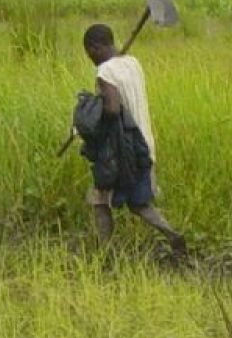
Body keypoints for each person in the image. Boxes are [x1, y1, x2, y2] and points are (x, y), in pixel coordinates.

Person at [77, 23, 187, 256]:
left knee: (99, 198)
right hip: (144, 144)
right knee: (139, 202)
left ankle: (103, 252)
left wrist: (92, 109)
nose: (90, 58)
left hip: (121, 149)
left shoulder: (105, 72)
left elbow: (113, 109)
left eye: (89, 53)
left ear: (95, 48)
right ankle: (172, 234)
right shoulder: (133, 63)